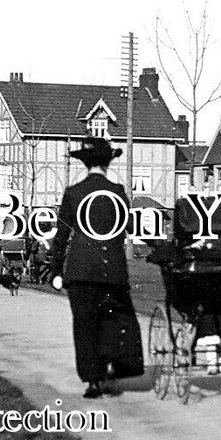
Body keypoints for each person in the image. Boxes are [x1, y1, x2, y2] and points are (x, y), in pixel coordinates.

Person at [49, 137, 144, 399]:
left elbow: (61, 237)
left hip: (80, 270)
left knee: (85, 323)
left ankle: (93, 380)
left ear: (84, 163)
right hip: (112, 270)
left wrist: (56, 270)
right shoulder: (118, 192)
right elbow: (127, 230)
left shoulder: (73, 193)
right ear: (108, 162)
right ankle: (113, 365)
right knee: (112, 320)